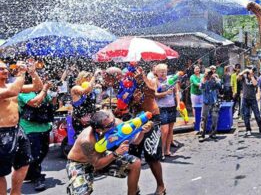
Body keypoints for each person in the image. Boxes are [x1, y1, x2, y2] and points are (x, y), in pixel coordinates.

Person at [66, 110, 152, 195]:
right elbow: (97, 165)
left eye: (113, 120)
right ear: (99, 130)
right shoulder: (86, 140)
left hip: (102, 156)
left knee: (135, 163)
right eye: (110, 125)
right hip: (80, 163)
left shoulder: (116, 123)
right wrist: (116, 153)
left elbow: (136, 141)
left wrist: (142, 131)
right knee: (82, 193)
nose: (114, 124)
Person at [0, 60, 42, 195]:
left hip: (17, 130)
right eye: (1, 69)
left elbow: (37, 87)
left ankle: (15, 193)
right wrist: (22, 73)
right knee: (0, 172)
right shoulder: (11, 88)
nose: (5, 71)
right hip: (1, 133)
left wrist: (33, 72)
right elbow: (13, 91)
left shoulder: (11, 85)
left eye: (6, 68)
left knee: (24, 164)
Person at [128, 67, 166, 195]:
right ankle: (134, 188)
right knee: (133, 156)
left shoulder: (150, 79)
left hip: (152, 118)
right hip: (135, 120)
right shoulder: (128, 81)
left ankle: (161, 186)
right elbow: (126, 102)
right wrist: (133, 99)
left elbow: (152, 91)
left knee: (152, 155)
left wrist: (143, 78)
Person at [18, 73, 55, 191]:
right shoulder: (24, 91)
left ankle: (30, 173)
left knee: (44, 152)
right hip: (29, 129)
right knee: (35, 154)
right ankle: (37, 177)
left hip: (43, 127)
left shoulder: (41, 90)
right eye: (39, 79)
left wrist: (54, 93)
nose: (42, 80)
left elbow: (51, 103)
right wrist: (44, 89)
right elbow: (35, 102)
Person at [155, 64, 180, 158]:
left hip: (172, 106)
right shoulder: (156, 81)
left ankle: (167, 150)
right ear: (156, 73)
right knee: (164, 130)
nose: (163, 73)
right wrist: (165, 92)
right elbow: (155, 94)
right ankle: (160, 151)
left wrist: (178, 104)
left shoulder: (171, 79)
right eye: (161, 71)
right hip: (162, 107)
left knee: (170, 130)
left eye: (164, 71)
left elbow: (177, 92)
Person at [71, 70, 101, 138]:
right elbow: (85, 91)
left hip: (90, 119)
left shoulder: (91, 90)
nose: (88, 80)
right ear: (80, 79)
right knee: (83, 141)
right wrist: (94, 76)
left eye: (89, 78)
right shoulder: (76, 88)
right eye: (86, 78)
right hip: (80, 120)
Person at [238, 67, 261, 136]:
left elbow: (255, 84)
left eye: (253, 71)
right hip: (245, 99)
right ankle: (248, 130)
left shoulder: (255, 77)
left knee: (257, 115)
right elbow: (238, 77)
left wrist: (252, 76)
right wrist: (244, 70)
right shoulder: (244, 77)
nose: (252, 72)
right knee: (246, 115)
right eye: (251, 71)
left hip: (253, 99)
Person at [199, 68, 222, 142]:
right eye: (207, 73)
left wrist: (215, 78)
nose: (209, 75)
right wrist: (204, 79)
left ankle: (213, 133)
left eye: (210, 73)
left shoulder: (214, 79)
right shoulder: (203, 79)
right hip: (206, 102)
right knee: (203, 118)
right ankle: (202, 134)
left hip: (214, 101)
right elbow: (201, 87)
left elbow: (219, 86)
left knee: (214, 118)